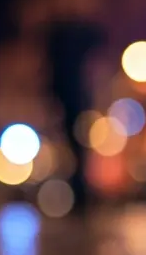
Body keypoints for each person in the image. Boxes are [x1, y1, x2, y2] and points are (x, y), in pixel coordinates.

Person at [45, 20, 107, 208]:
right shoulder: (58, 31)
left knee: (79, 144)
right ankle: (78, 190)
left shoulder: (83, 31)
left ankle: (81, 191)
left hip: (78, 96)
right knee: (71, 145)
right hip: (65, 96)